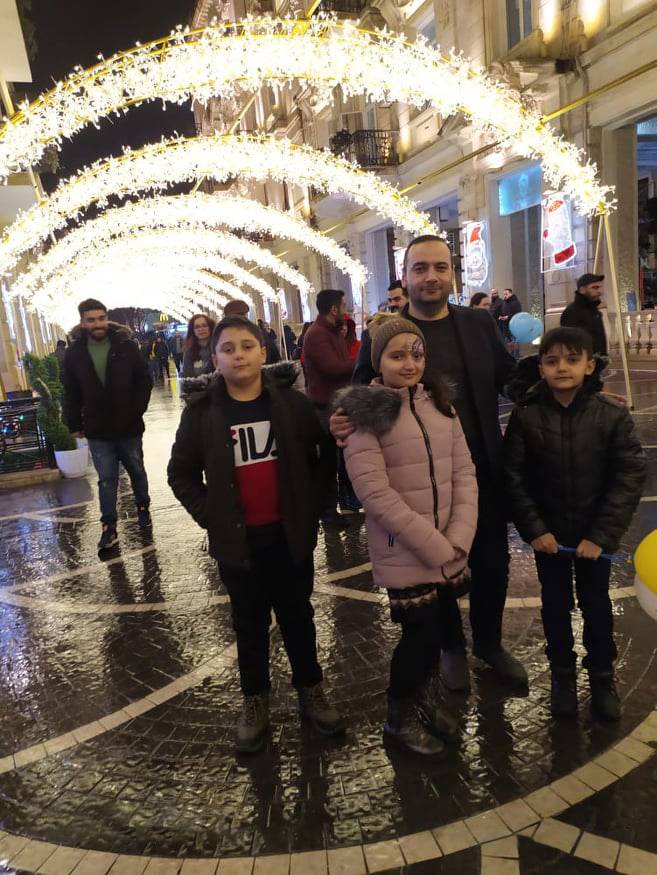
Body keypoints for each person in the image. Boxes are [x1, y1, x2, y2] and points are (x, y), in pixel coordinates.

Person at [331, 235, 527, 690]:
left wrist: (570, 392)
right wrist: (339, 420)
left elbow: (509, 379)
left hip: (480, 472)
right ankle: (450, 646)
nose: (431, 277)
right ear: (405, 276)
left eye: (440, 267)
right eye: (420, 268)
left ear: (452, 272)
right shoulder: (384, 333)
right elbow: (358, 398)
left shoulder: (477, 323)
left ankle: (490, 644)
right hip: (418, 482)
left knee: (492, 564)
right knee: (434, 569)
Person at [168, 316, 343, 753]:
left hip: (289, 536)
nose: (239, 356)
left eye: (247, 346)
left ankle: (311, 689)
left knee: (298, 616)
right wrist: (212, 516)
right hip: (238, 542)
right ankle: (254, 699)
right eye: (228, 349)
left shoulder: (291, 405)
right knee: (248, 624)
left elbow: (322, 457)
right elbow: (180, 473)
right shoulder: (202, 414)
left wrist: (311, 508)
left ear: (263, 352)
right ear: (215, 358)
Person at [338, 316, 478, 756]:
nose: (409, 364)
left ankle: (425, 702)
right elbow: (374, 493)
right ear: (378, 361)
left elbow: (464, 472)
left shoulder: (442, 407)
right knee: (418, 638)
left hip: (448, 546)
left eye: (416, 354)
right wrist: (435, 545)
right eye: (397, 355)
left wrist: (460, 535)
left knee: (439, 630)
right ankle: (398, 718)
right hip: (405, 550)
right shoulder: (366, 416)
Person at [504, 327, 645, 721]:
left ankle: (602, 676)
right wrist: (536, 530)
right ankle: (562, 676)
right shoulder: (526, 416)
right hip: (549, 538)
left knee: (596, 605)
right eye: (551, 361)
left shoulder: (611, 415)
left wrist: (601, 535)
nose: (561, 368)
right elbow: (512, 477)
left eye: (571, 359)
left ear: (589, 365)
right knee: (555, 605)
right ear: (540, 368)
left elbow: (629, 475)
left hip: (594, 538)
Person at [63, 299, 152, 553]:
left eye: (101, 318)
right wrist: (74, 423)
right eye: (91, 320)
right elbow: (71, 391)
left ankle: (143, 506)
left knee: (137, 470)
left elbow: (143, 381)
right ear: (83, 323)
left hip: (129, 425)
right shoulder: (75, 353)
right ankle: (109, 527)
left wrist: (136, 410)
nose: (97, 324)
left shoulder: (125, 345)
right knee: (106, 479)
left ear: (106, 318)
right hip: (98, 428)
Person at [303, 289, 356, 525]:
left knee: (339, 458)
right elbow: (332, 368)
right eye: (342, 306)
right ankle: (327, 511)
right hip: (325, 408)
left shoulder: (331, 332)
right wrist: (361, 359)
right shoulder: (317, 334)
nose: (345, 311)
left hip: (337, 403)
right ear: (333, 309)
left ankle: (343, 503)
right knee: (327, 462)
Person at [353, 280, 409, 384]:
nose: (392, 304)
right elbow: (362, 377)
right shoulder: (372, 333)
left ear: (409, 299)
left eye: (397, 299)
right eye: (390, 300)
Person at [560, 273, 607, 356]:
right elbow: (569, 343)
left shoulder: (594, 310)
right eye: (595, 287)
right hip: (583, 361)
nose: (599, 291)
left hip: (597, 360)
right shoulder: (572, 312)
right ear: (582, 289)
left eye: (600, 287)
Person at [182, 313, 217, 380]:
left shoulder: (218, 346)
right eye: (197, 327)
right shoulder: (189, 351)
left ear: (210, 327)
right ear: (193, 330)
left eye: (204, 325)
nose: (201, 329)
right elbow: (187, 375)